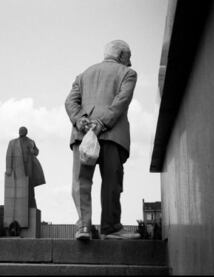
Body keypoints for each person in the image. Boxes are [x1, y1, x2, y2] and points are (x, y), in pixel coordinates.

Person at [65, 40, 140, 240]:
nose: (130, 63)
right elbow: (120, 102)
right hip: (112, 135)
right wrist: (101, 124)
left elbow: (70, 101)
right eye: (129, 57)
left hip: (82, 136)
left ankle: (84, 228)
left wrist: (82, 121)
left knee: (81, 181)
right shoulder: (128, 73)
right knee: (112, 182)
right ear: (122, 56)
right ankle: (111, 228)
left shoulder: (83, 75)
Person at [5, 126, 45, 209]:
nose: (21, 132)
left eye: (23, 130)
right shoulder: (13, 142)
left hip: (30, 165)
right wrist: (8, 168)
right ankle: (20, 206)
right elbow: (9, 156)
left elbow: (37, 151)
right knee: (19, 187)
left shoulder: (31, 141)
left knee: (29, 186)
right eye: (20, 130)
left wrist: (33, 151)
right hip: (18, 167)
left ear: (26, 132)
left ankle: (31, 204)